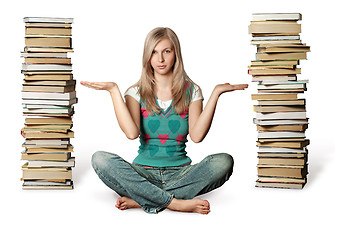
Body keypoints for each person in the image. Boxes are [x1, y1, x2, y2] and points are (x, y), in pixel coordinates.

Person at [81, 27, 248, 214]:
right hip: (142, 173)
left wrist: (216, 93)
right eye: (154, 52)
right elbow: (131, 133)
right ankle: (174, 203)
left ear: (175, 53)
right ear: (147, 56)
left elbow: (197, 136)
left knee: (223, 162)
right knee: (100, 159)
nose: (160, 59)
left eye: (166, 51)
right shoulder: (135, 92)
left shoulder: (192, 91)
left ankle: (142, 198)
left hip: (181, 174)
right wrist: (113, 90)